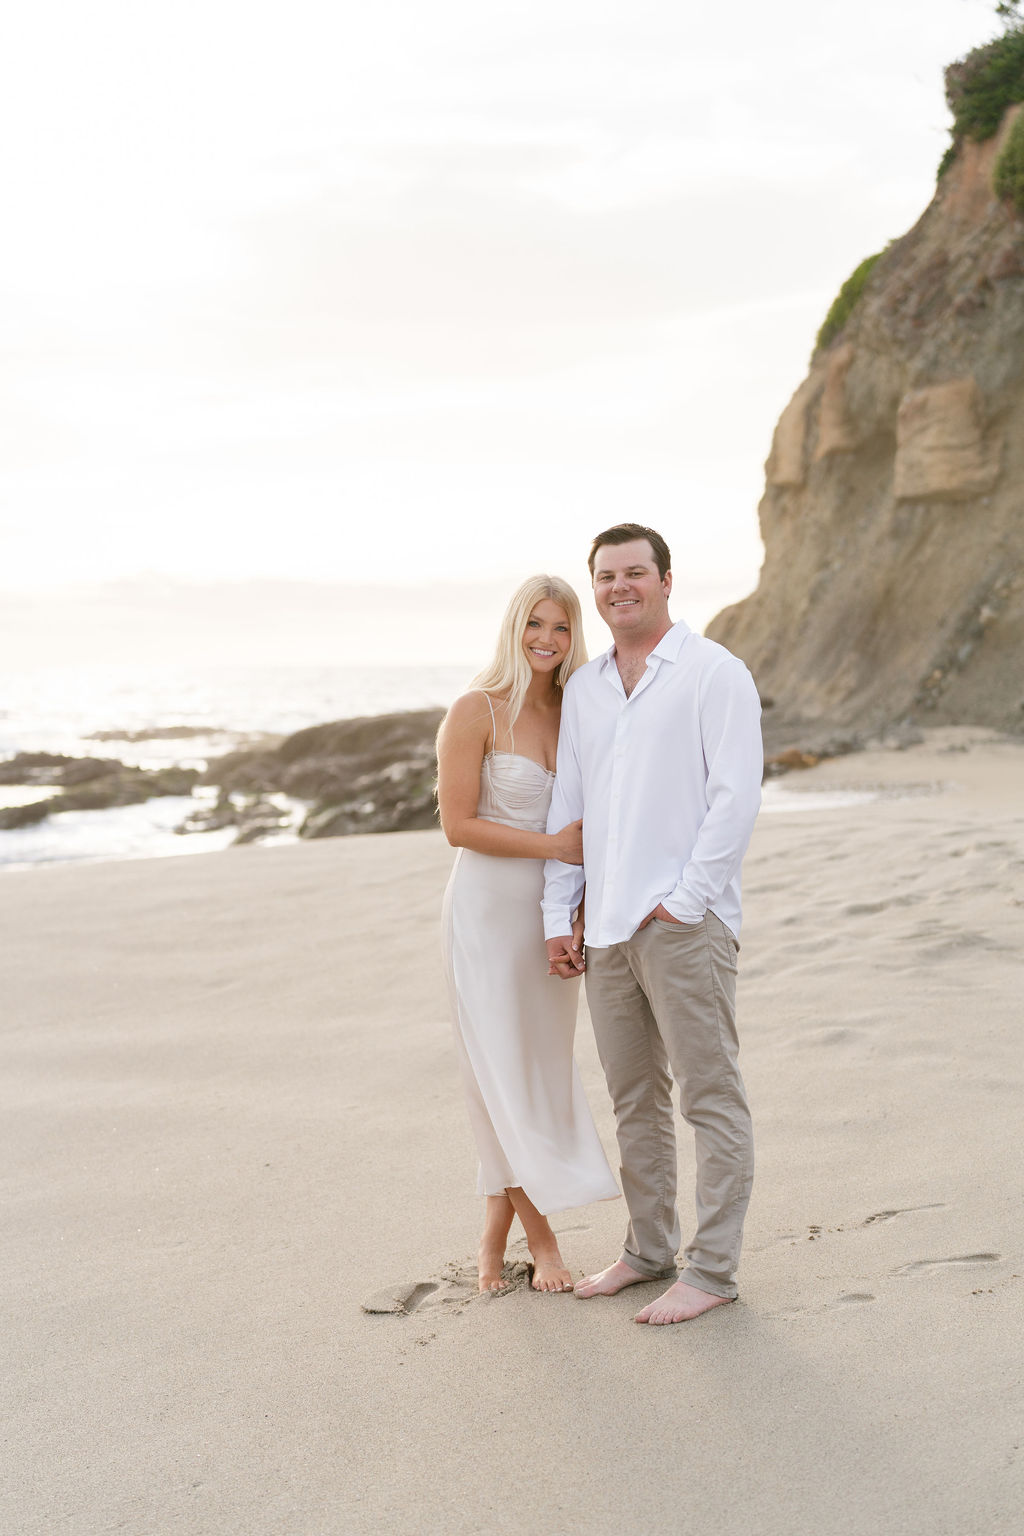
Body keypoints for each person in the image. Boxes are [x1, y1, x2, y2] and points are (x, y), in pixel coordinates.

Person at [543, 524, 762, 1326]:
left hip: (681, 925)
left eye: (635, 572)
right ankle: (647, 1251)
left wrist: (688, 899)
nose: (618, 587)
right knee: (635, 1099)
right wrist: (555, 913)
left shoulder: (713, 672)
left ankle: (712, 1270)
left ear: (667, 580)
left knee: (710, 1097)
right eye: (605, 576)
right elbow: (571, 806)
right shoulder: (588, 690)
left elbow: (736, 796)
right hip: (602, 929)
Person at [437, 575, 619, 1295]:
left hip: (547, 915)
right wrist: (553, 850)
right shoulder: (474, 710)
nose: (547, 639)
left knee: (529, 1074)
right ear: (515, 630)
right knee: (497, 1071)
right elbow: (457, 825)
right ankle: (541, 1241)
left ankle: (490, 1236)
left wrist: (573, 910)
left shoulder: (578, 710)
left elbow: (590, 818)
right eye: (535, 625)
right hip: (482, 913)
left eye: (563, 627)